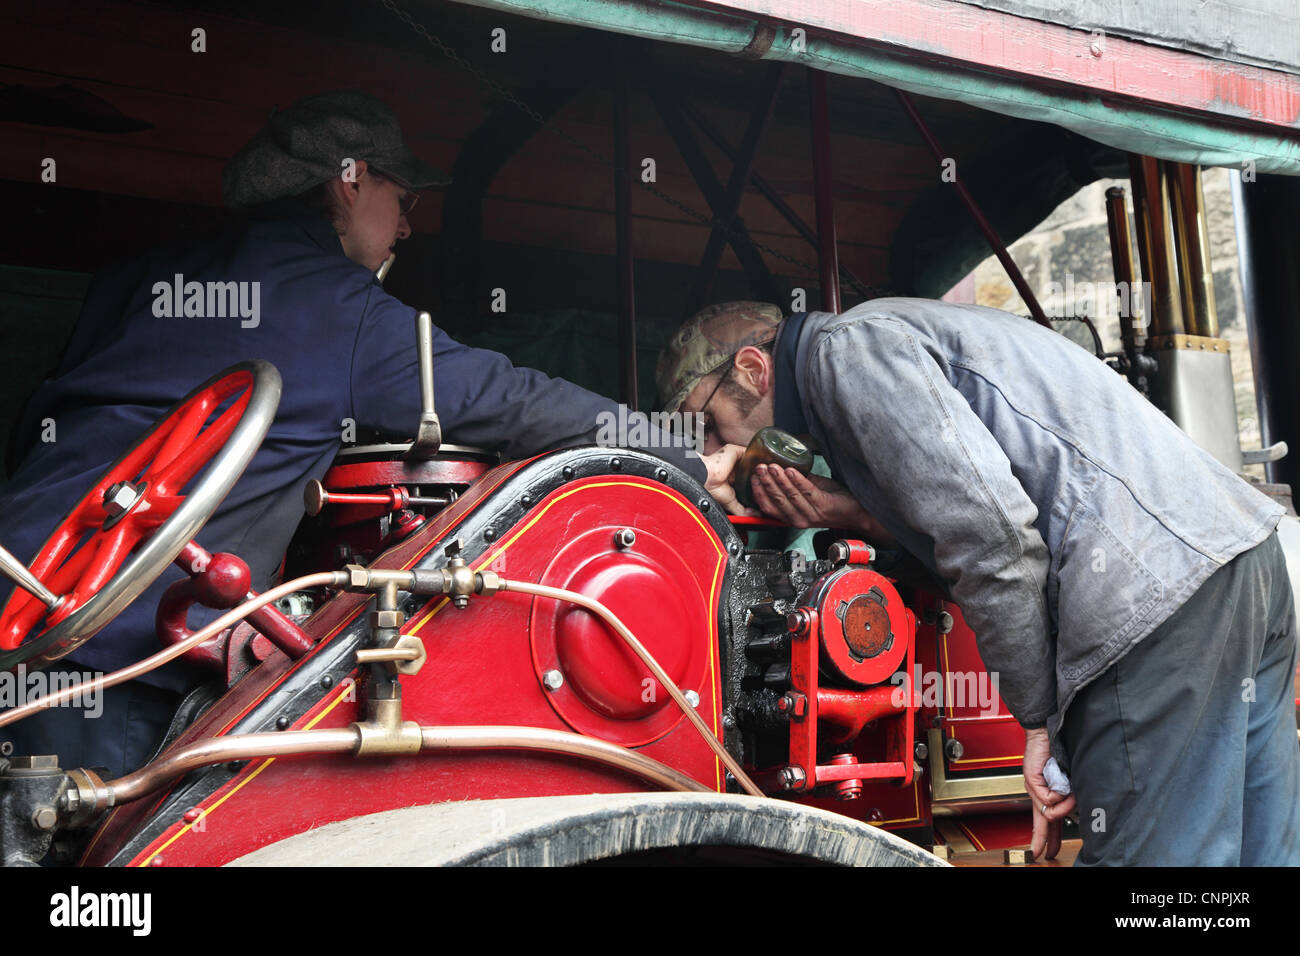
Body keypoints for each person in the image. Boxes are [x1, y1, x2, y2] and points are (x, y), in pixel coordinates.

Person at [0, 90, 738, 779]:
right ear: (348, 185)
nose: (409, 225)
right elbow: (511, 400)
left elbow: (42, 418)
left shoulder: (142, 275)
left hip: (17, 602)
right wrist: (688, 457)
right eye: (402, 197)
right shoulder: (340, 310)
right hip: (115, 650)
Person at [658, 298, 1299, 866]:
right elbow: (989, 499)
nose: (724, 447)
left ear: (750, 367)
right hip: (1241, 558)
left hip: (1152, 596)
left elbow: (992, 538)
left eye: (708, 423)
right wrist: (847, 512)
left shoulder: (846, 354)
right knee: (1259, 854)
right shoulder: (889, 336)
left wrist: (1039, 718)